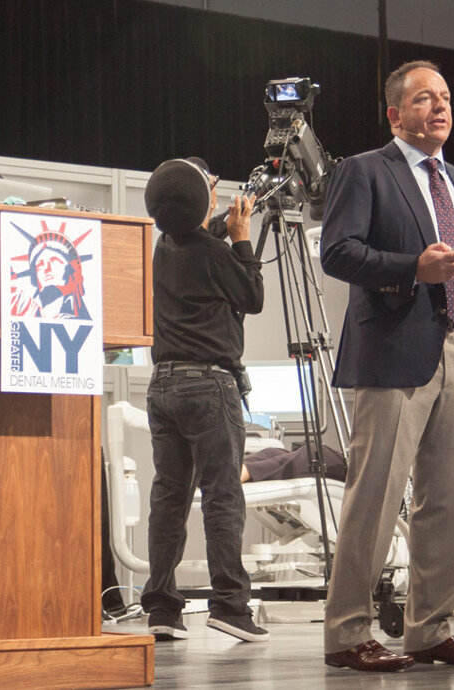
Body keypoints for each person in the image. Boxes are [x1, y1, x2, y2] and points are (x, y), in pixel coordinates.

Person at [319, 60, 454, 672]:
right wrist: (410, 268)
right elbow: (338, 252)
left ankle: (430, 629)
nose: (440, 107)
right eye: (425, 99)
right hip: (393, 349)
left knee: (449, 500)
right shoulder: (365, 171)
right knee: (374, 497)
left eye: (445, 97)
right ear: (395, 114)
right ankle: (347, 633)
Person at [140, 157, 269, 642]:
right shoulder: (218, 253)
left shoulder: (163, 247)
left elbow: (194, 233)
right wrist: (242, 236)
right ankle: (231, 606)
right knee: (221, 495)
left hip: (164, 385)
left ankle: (162, 609)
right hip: (210, 385)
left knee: (169, 498)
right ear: (202, 198)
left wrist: (222, 222)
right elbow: (252, 295)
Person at [240, 444, 347, 483]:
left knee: (315, 455)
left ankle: (244, 473)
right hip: (352, 460)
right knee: (272, 452)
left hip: (356, 472)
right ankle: (232, 470)